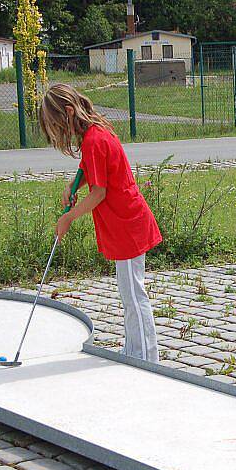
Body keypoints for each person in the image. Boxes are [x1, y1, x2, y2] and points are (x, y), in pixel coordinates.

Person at [39, 83, 162, 363]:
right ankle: (134, 352)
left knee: (134, 295)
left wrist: (69, 217)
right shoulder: (94, 135)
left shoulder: (94, 140)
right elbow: (89, 168)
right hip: (123, 224)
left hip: (127, 225)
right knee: (128, 293)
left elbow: (99, 192)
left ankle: (147, 359)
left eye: (59, 124)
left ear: (69, 112)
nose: (61, 132)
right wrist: (74, 183)